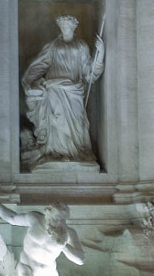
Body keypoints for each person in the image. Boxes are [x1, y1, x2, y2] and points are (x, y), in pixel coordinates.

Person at [21, 15, 105, 165]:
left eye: (68, 27)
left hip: (74, 91)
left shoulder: (81, 46)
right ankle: (56, 153)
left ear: (73, 28)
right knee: (56, 121)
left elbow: (89, 72)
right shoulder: (53, 46)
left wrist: (101, 54)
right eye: (63, 27)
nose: (65, 29)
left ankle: (76, 153)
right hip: (54, 89)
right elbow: (40, 65)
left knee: (77, 124)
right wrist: (28, 82)